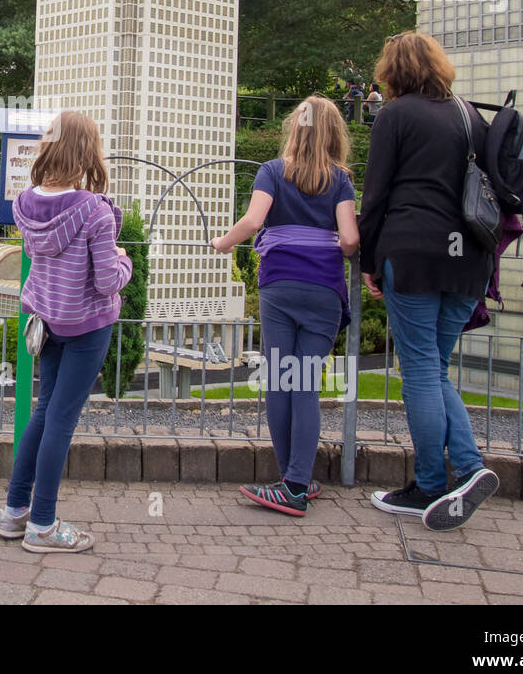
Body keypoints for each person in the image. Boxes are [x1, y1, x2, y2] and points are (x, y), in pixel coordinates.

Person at [359, 31, 499, 531]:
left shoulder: (395, 115)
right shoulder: (471, 117)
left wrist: (368, 261)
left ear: (393, 71)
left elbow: (374, 196)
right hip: (470, 261)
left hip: (413, 253)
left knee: (419, 371)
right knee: (435, 370)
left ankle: (429, 487)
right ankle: (470, 468)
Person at [210, 96, 359, 516]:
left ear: (295, 128)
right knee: (306, 383)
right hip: (324, 290)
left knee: (279, 379)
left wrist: (222, 243)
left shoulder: (272, 172)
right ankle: (297, 480)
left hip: (279, 287)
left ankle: (290, 483)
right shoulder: (341, 181)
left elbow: (254, 221)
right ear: (334, 134)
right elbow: (349, 240)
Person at [0, 111, 132, 553]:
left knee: (44, 411)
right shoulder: (95, 211)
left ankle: (14, 512)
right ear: (87, 151)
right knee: (61, 420)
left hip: (48, 321)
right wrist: (125, 259)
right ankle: (43, 525)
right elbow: (108, 281)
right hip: (88, 325)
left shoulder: (25, 204)